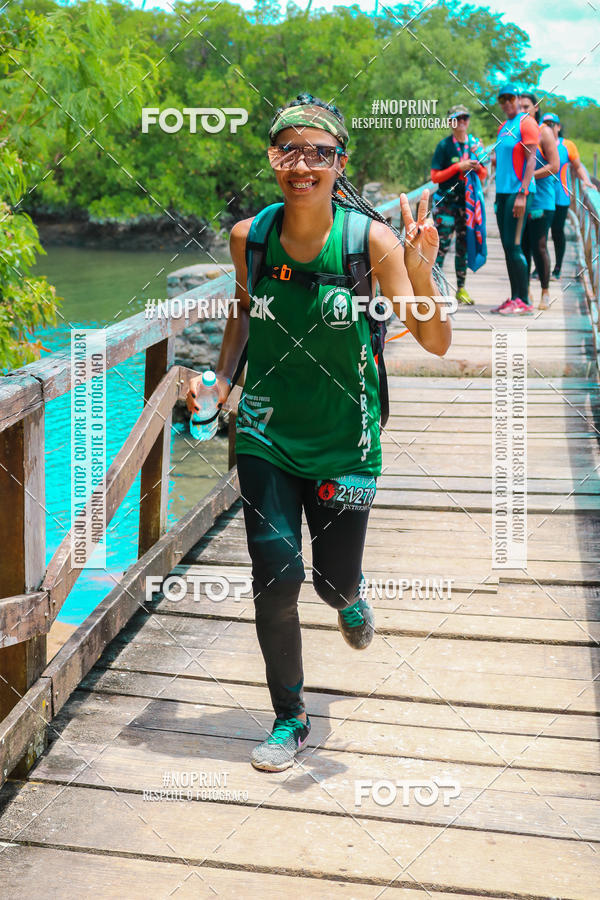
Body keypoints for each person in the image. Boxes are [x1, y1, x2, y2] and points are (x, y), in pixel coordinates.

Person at [187, 92, 451, 772]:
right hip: (267, 432)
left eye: (319, 154)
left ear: (340, 163)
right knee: (275, 578)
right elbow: (244, 314)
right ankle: (289, 717)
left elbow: (435, 339)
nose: (302, 165)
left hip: (346, 440)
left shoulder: (371, 241)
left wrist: (421, 267)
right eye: (288, 151)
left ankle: (350, 598)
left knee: (331, 586)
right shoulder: (252, 236)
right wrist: (219, 384)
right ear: (273, 158)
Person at [430, 104, 488, 305]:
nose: (461, 122)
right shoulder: (444, 146)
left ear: (468, 121)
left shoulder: (475, 145)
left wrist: (476, 167)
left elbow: (484, 174)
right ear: (450, 122)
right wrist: (457, 167)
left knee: (464, 247)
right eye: (457, 118)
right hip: (446, 203)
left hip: (467, 206)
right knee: (441, 247)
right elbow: (435, 177)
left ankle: (461, 289)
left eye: (465, 118)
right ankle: (434, 289)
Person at [491, 83, 540, 315]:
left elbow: (531, 160)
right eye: (503, 100)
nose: (507, 103)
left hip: (517, 193)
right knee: (507, 247)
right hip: (501, 193)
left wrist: (523, 192)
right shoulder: (503, 127)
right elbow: (500, 157)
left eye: (511, 98)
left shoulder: (526, 123)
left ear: (519, 99)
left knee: (515, 245)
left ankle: (525, 301)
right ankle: (514, 298)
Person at [541, 113, 596, 279]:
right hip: (542, 195)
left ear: (559, 127)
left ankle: (557, 268)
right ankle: (540, 268)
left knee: (557, 232)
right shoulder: (538, 144)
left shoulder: (568, 145)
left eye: (552, 124)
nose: (549, 127)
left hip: (561, 196)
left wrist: (586, 181)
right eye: (546, 124)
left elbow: (578, 167)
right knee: (539, 234)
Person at [519, 93, 559, 310]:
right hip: (521, 199)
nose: (523, 110)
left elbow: (554, 166)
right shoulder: (516, 131)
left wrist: (528, 176)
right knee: (522, 247)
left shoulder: (543, 131)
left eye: (527, 107)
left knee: (539, 246)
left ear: (535, 108)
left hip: (541, 201)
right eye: (519, 107)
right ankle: (524, 293)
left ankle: (545, 292)